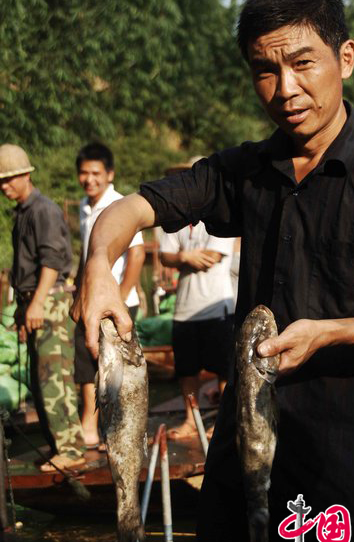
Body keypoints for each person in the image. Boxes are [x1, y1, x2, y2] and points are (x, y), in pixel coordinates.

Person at [71, 0, 354, 542]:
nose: (286, 89)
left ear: (344, 58)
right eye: (264, 71)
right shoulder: (244, 170)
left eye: (303, 63)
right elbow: (134, 209)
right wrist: (97, 265)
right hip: (240, 460)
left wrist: (332, 333)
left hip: (347, 468)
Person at [0, 144, 85, 472]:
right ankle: (59, 445)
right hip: (34, 303)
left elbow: (51, 262)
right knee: (39, 378)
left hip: (49, 301)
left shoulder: (43, 210)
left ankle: (72, 449)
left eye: (9, 180)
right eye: (0, 182)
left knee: (55, 378)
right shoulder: (22, 212)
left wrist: (36, 305)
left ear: (26, 175)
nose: (4, 186)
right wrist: (23, 313)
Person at [74, 142, 145, 450]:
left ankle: (116, 431)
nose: (89, 179)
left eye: (95, 173)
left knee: (117, 371)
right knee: (87, 366)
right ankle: (90, 426)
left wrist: (124, 294)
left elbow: (138, 253)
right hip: (92, 303)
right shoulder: (83, 206)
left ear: (109, 174)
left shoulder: (120, 203)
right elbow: (86, 257)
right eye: (84, 173)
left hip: (117, 307)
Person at [160, 221, 235, 439]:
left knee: (224, 369)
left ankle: (224, 421)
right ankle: (191, 421)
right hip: (183, 309)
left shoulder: (220, 219)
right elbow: (165, 256)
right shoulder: (174, 224)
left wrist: (181, 255)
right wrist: (184, 257)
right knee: (186, 371)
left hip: (217, 306)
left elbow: (211, 258)